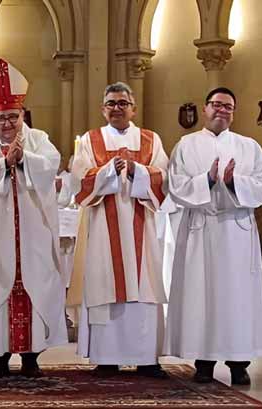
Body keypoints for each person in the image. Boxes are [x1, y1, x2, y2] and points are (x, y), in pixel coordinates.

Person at [0, 59, 67, 379]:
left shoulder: (38, 139)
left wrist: (24, 160)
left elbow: (51, 165)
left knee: (35, 287)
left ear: (22, 115)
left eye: (13, 117)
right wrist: (1, 165)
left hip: (32, 231)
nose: (7, 123)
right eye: (1, 118)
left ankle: (31, 357)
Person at [164, 87, 262, 385]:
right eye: (216, 105)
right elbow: (176, 185)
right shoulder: (186, 145)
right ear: (205, 108)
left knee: (237, 297)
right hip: (202, 228)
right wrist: (208, 180)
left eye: (228, 106)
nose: (222, 110)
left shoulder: (249, 146)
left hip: (236, 231)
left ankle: (239, 363)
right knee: (202, 295)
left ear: (234, 112)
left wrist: (234, 182)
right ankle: (204, 362)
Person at [71, 82, 169, 378]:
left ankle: (147, 358)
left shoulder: (151, 140)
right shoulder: (91, 140)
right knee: (105, 282)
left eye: (122, 103)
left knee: (144, 287)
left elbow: (163, 177)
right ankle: (107, 356)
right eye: (111, 103)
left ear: (133, 108)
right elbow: (79, 178)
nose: (117, 108)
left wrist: (135, 171)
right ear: (103, 109)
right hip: (103, 223)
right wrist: (107, 172)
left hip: (142, 223)